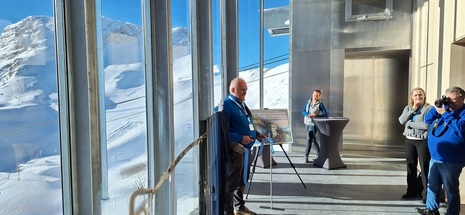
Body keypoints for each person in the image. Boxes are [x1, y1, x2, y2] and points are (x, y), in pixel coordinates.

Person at [216, 77, 266, 215]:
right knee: (231, 183)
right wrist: (240, 138)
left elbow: (248, 125)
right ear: (232, 90)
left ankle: (240, 207)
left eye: (246, 89)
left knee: (242, 180)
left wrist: (256, 134)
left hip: (245, 151)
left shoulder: (242, 104)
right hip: (234, 152)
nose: (245, 92)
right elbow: (222, 132)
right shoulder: (225, 106)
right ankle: (228, 211)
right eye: (242, 89)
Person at [417, 86, 465, 215]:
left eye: (452, 99)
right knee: (432, 185)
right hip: (436, 156)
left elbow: (461, 128)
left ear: (462, 98)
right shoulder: (445, 109)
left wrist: (445, 113)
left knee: (450, 189)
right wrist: (436, 108)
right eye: (447, 98)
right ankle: (432, 210)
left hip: (452, 159)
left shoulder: (462, 112)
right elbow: (427, 120)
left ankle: (452, 213)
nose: (449, 102)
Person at [398, 88, 432, 203]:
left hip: (422, 141)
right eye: (416, 95)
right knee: (411, 166)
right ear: (412, 97)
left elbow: (426, 125)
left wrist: (411, 124)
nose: (418, 97)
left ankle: (426, 195)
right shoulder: (408, 108)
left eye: (420, 95)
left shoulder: (429, 109)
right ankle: (411, 191)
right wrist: (413, 109)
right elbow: (402, 121)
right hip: (409, 141)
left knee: (425, 167)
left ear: (424, 96)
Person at [301, 89, 328, 163]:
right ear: (312, 94)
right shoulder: (308, 102)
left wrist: (316, 115)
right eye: (314, 94)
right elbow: (303, 111)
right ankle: (320, 155)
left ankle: (306, 156)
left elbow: (325, 114)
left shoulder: (320, 104)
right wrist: (308, 115)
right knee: (312, 139)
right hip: (307, 122)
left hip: (314, 124)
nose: (315, 96)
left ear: (319, 96)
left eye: (317, 95)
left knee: (309, 138)